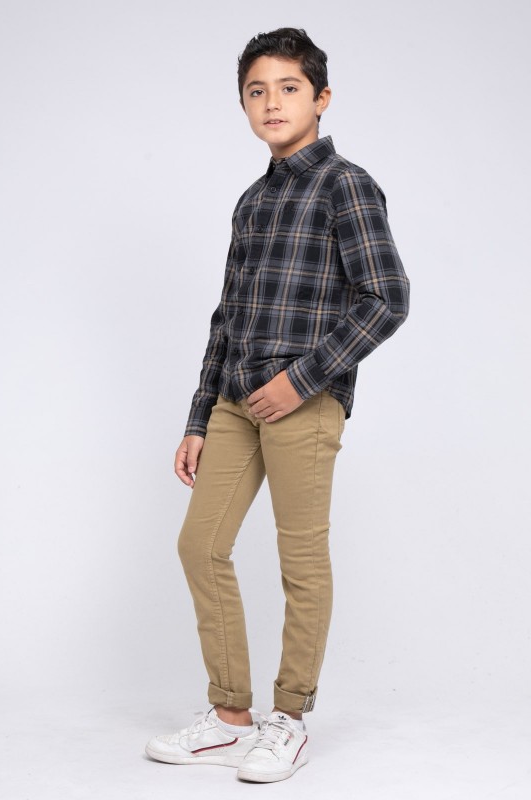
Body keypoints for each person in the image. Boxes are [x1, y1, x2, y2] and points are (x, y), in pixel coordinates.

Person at [145, 27, 410, 783]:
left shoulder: (346, 185)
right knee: (200, 545)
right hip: (236, 400)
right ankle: (230, 716)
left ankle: (288, 719)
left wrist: (304, 378)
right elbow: (225, 317)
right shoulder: (252, 201)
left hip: (305, 400)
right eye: (256, 91)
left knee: (301, 561)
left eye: (288, 88)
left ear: (321, 99)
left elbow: (387, 298)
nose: (272, 102)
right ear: (243, 104)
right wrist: (199, 418)